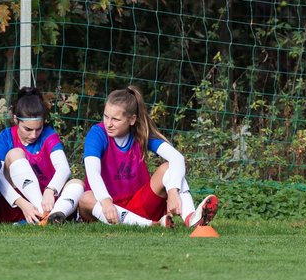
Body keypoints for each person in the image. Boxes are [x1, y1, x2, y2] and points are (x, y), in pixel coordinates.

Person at [77, 86, 220, 229]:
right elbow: (93, 172)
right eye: (106, 116)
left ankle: (191, 218)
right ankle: (153, 225)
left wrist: (173, 191)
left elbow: (177, 158)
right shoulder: (97, 134)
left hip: (140, 205)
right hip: (106, 210)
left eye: (115, 119)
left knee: (168, 168)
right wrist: (106, 201)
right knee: (85, 198)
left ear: (132, 120)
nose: (108, 123)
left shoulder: (140, 133)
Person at [0, 88, 85, 224]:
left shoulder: (48, 135)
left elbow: (64, 169)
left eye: (38, 129)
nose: (34, 135)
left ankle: (52, 216)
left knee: (77, 183)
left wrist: (50, 190)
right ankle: (44, 216)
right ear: (16, 120)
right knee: (15, 153)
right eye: (28, 129)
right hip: (18, 205)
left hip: (49, 201)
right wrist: (22, 203)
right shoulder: (3, 139)